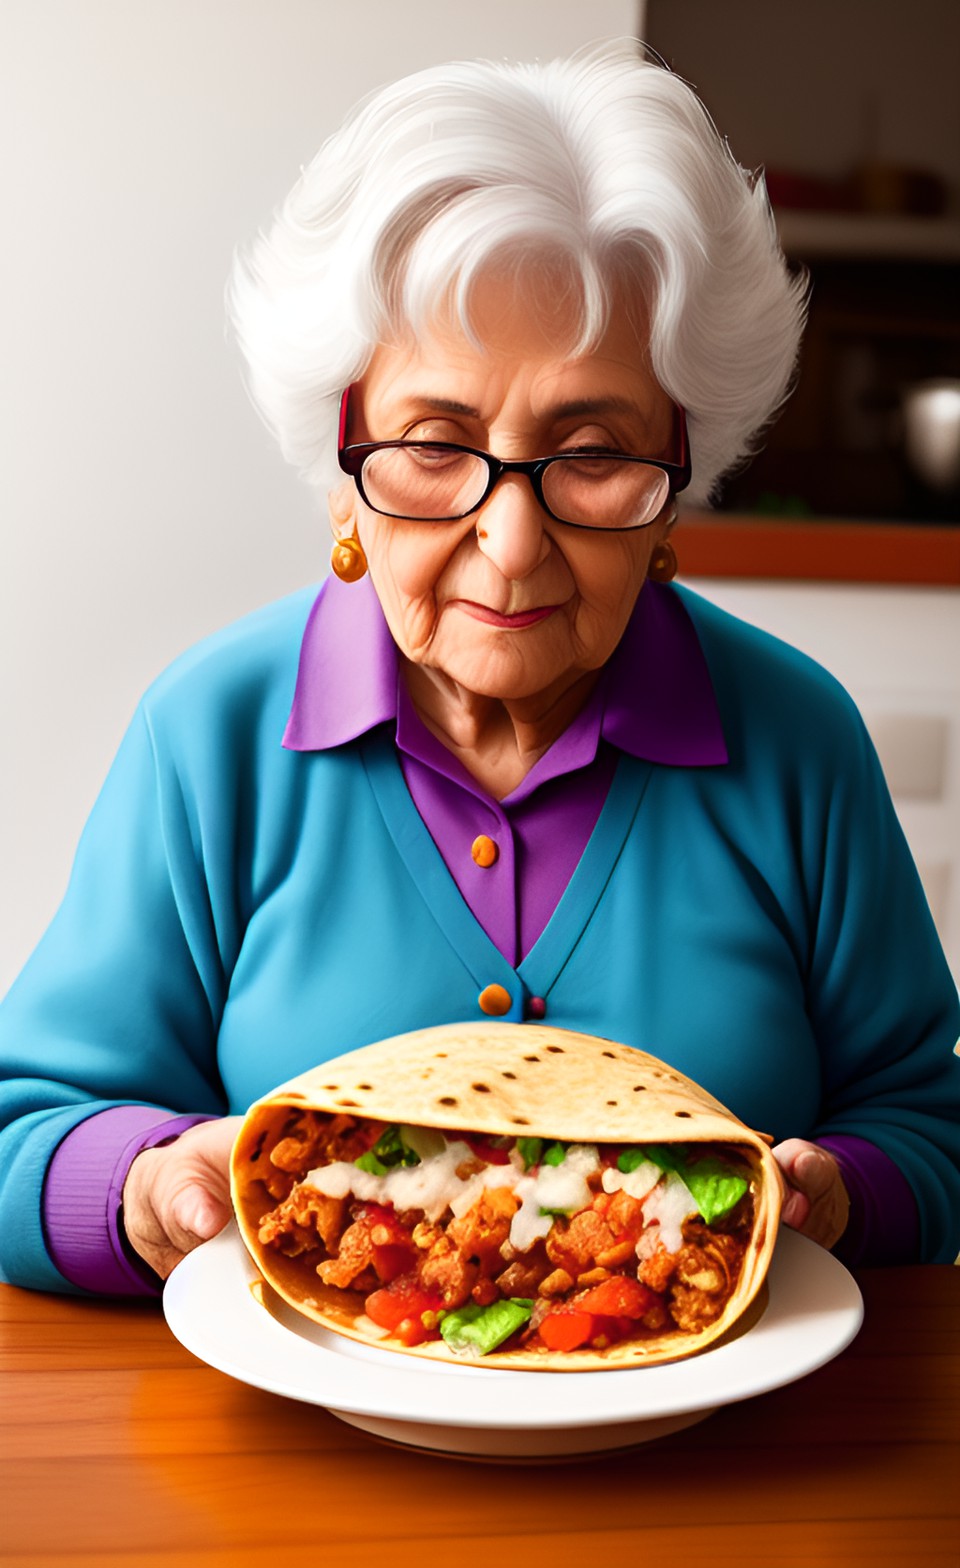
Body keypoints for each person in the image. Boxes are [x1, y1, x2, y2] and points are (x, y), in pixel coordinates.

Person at [1, 43, 958, 1297]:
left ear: (681, 471)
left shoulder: (796, 737)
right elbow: (27, 1134)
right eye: (435, 445)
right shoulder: (211, 732)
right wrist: (148, 1183)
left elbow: (927, 1127)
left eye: (594, 449)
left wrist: (841, 1193)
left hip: (729, 1464)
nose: (510, 546)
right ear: (346, 449)